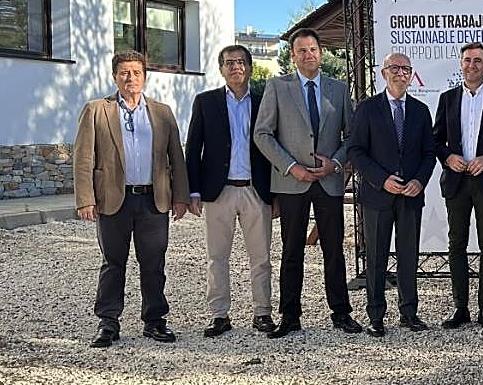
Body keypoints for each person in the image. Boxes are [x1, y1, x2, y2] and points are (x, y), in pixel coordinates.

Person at [72, 49, 189, 347]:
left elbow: (176, 157)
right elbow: (83, 158)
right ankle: (108, 322)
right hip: (114, 199)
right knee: (113, 263)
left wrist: (181, 196)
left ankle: (154, 320)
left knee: (154, 263)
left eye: (136, 73)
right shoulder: (97, 110)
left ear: (145, 77)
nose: (130, 78)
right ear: (115, 77)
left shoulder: (162, 112)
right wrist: (85, 198)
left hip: (153, 201)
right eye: (124, 72)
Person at [252, 27, 361, 338]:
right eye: (301, 50)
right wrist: (291, 167)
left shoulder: (339, 89)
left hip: (329, 182)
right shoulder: (277, 86)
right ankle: (290, 316)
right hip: (292, 182)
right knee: (291, 251)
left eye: (313, 49)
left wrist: (335, 163)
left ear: (321, 53)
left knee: (334, 250)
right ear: (293, 55)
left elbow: (351, 136)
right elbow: (262, 134)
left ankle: (341, 312)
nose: (308, 55)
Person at [185, 44, 277, 337]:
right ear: (221, 69)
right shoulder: (205, 102)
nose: (236, 67)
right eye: (229, 63)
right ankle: (219, 315)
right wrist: (194, 191)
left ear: (249, 67)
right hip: (218, 191)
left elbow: (277, 147)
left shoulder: (265, 101)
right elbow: (193, 148)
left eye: (241, 62)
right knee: (217, 258)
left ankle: (262, 312)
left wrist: (276, 195)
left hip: (256, 190)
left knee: (261, 257)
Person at [346, 52, 436, 337]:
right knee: (376, 257)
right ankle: (376, 316)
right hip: (377, 196)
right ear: (383, 73)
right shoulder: (367, 109)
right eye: (394, 68)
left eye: (406, 69)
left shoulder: (421, 111)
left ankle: (409, 313)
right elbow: (355, 150)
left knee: (408, 255)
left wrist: (420, 181)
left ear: (411, 76)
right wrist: (381, 180)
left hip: (410, 196)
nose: (400, 73)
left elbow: (429, 153)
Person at [432, 42, 483, 330]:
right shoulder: (447, 99)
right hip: (456, 182)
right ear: (461, 64)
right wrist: (448, 157)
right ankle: (460, 307)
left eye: (478, 60)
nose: (472, 65)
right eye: (467, 60)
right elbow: (436, 140)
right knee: (456, 243)